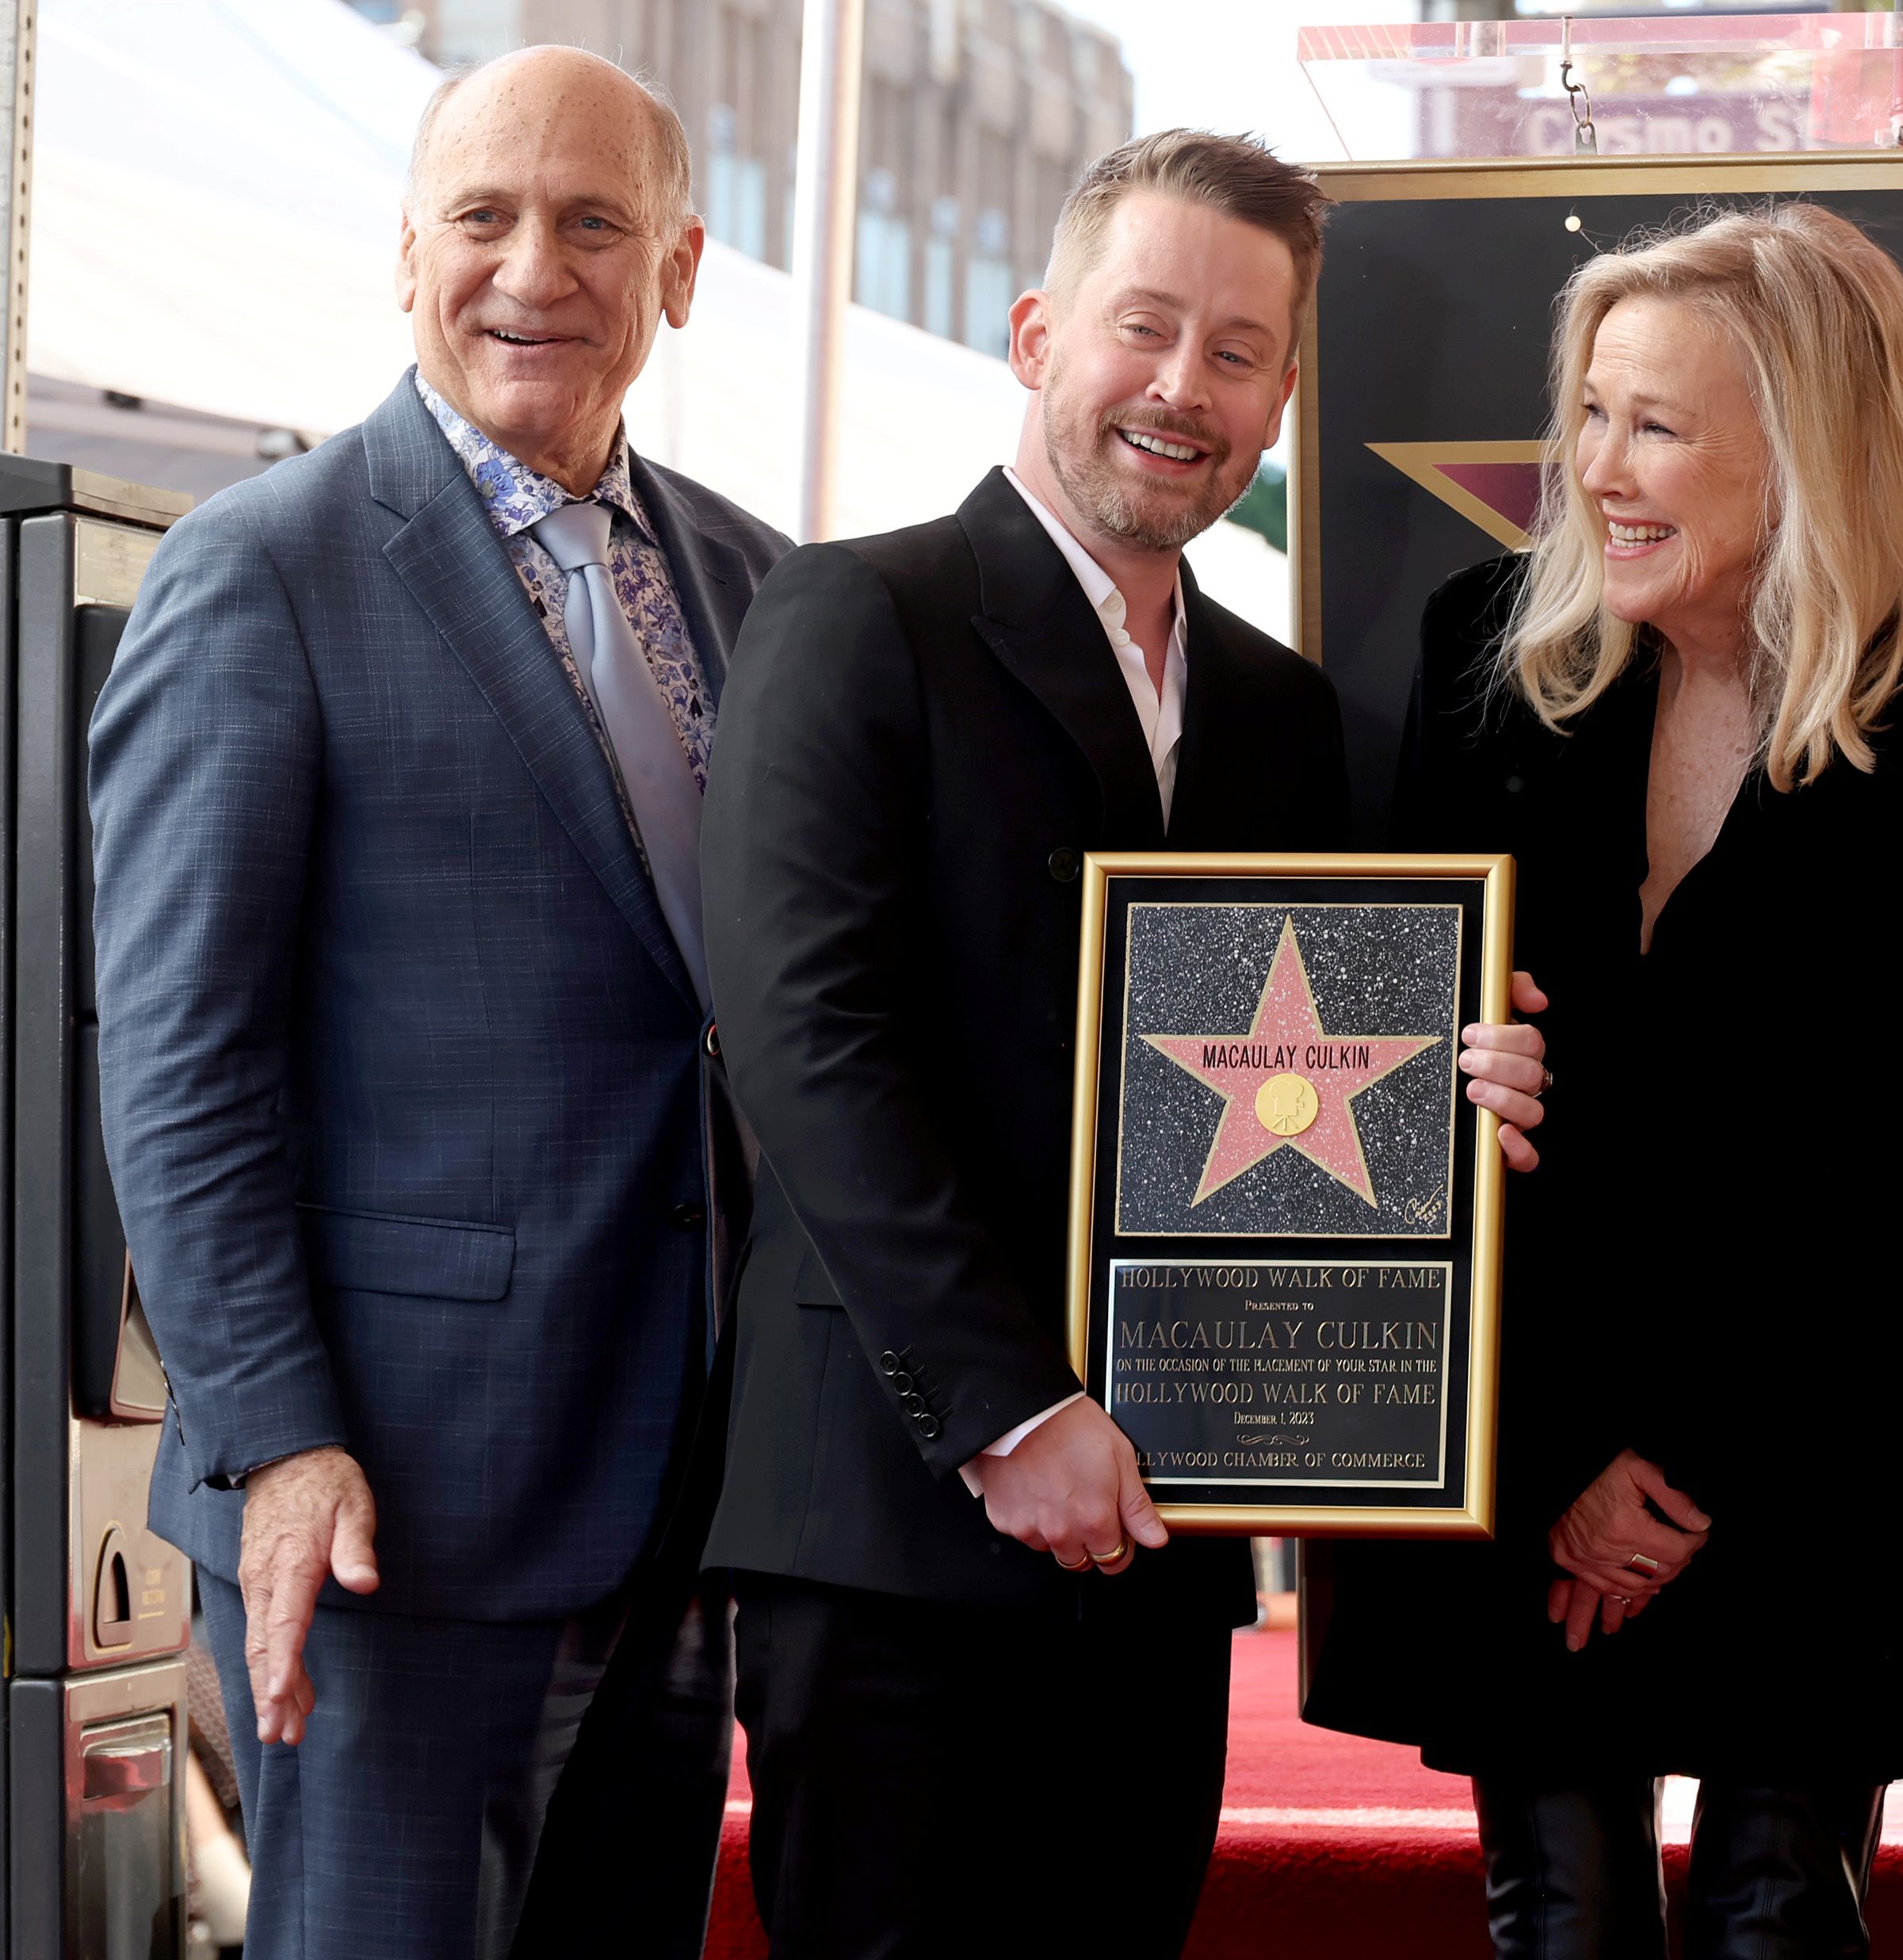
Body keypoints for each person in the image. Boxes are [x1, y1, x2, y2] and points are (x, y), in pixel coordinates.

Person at [697, 129, 1549, 1958]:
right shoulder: (859, 614)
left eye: (1236, 349)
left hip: (1177, 1511)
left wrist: (1451, 1072)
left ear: (1283, 392)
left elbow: (1312, 1070)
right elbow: (803, 1036)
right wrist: (1010, 1413)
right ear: (1033, 334)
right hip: (898, 1514)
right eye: (1140, 326)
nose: (1182, 387)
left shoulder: (1278, 708)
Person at [1301, 204, 1903, 1960]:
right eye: (1589, 412)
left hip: (1837, 1449)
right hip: (1533, 1429)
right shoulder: (1480, 654)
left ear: (1803, 444)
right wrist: (1575, 1447)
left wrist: (1684, 1466)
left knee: (1770, 1919)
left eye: (1654, 424)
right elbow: (1422, 1099)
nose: (1595, 470)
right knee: (1555, 1923)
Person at [90, 49, 785, 1960]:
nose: (529, 269)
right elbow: (177, 1068)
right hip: (387, 1511)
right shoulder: (263, 572)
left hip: (685, 1509)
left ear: (682, 269)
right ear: (406, 251)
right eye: (480, 216)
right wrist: (279, 1436)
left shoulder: (757, 585)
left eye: (591, 222)